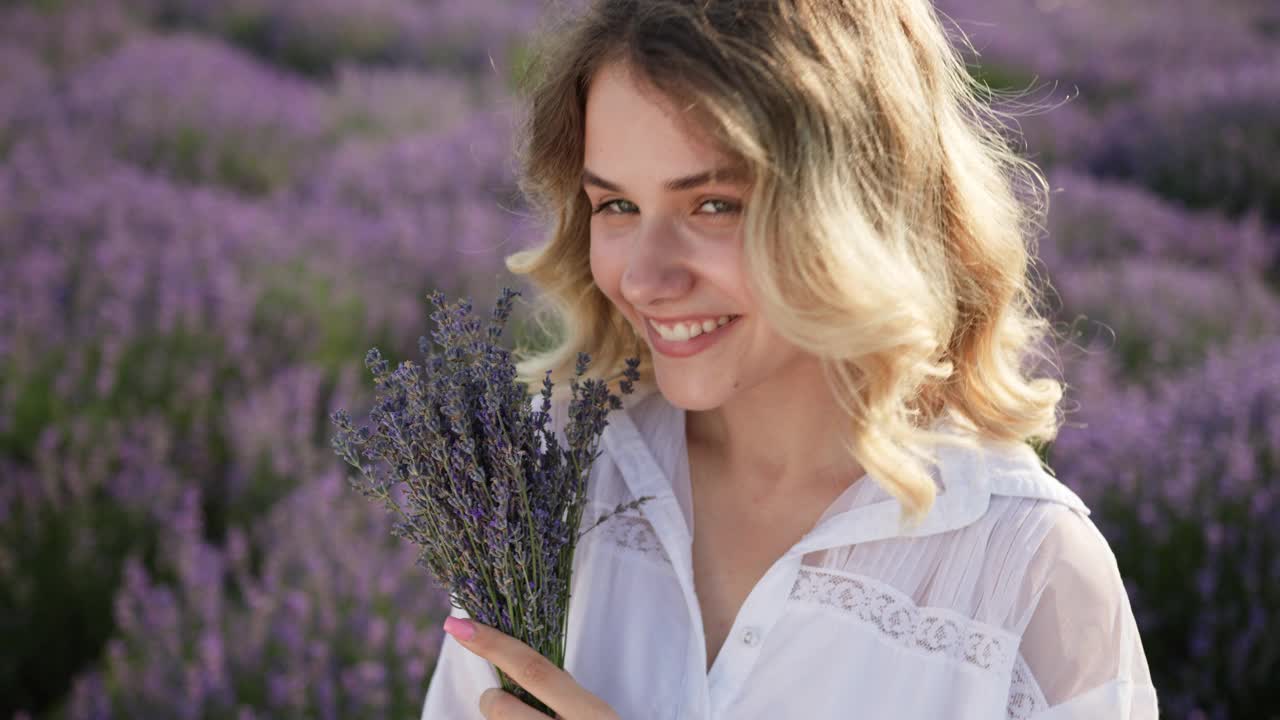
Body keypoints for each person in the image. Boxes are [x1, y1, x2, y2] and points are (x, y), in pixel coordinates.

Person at [422, 0, 1159, 717]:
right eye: (616, 206)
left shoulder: (1029, 576)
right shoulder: (544, 471)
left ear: (861, 207)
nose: (645, 278)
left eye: (713, 204)